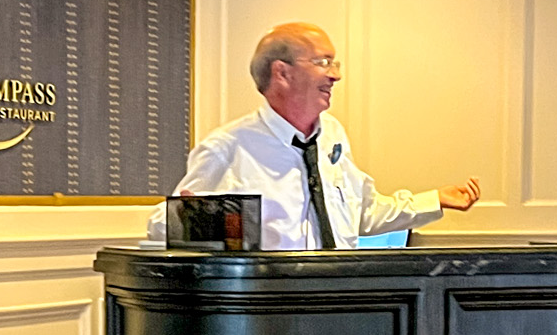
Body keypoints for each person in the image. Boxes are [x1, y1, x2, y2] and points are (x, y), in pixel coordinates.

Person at [146, 22, 482, 249]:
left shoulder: (332, 135)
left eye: (335, 64)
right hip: (269, 311)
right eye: (323, 62)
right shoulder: (228, 147)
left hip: (335, 302)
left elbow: (361, 213)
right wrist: (212, 222)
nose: (335, 76)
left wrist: (435, 200)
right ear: (282, 73)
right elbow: (160, 226)